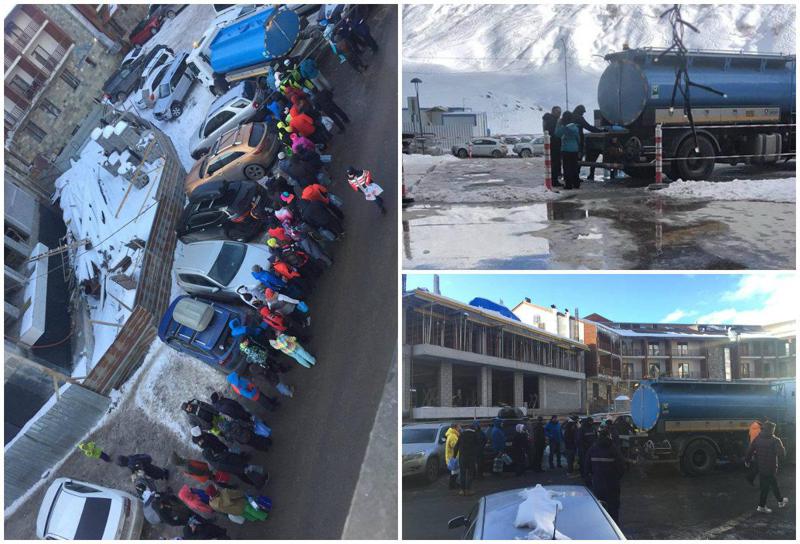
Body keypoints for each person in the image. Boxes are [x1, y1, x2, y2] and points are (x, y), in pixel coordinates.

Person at [584, 427, 626, 523]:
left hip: (598, 483)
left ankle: (601, 525)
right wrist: (616, 478)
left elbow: (586, 466)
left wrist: (590, 478)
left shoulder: (592, 449)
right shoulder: (614, 449)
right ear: (609, 436)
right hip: (612, 484)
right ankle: (614, 527)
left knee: (599, 507)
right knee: (613, 508)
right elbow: (622, 467)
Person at [745, 421, 788, 513]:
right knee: (766, 487)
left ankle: (780, 501)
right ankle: (761, 506)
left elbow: (750, 450)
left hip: (761, 466)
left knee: (773, 483)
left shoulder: (757, 438)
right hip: (771, 467)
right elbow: (782, 455)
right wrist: (783, 447)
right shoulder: (775, 440)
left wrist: (747, 461)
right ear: (772, 430)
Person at [571, 104, 602, 180]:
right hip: (578, 141)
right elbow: (588, 127)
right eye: (583, 112)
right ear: (580, 111)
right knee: (578, 159)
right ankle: (576, 177)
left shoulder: (571, 116)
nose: (583, 114)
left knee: (571, 159)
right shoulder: (579, 118)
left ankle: (571, 176)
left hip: (570, 142)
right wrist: (599, 131)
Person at [555, 111, 581, 190]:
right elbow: (578, 138)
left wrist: (558, 124)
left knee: (567, 167)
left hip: (566, 149)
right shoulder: (575, 127)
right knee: (574, 166)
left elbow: (557, 134)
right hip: (575, 149)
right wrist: (578, 147)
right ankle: (576, 183)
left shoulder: (564, 128)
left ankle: (568, 184)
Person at [454, 423, 480, 496]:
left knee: (462, 473)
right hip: (471, 457)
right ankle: (468, 490)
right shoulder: (475, 435)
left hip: (462, 457)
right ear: (474, 428)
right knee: (470, 473)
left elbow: (456, 446)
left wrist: (454, 455)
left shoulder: (461, 435)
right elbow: (478, 446)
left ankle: (462, 490)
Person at [542, 106, 563, 186]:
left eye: (560, 112)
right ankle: (554, 181)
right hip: (554, 144)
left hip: (552, 144)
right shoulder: (552, 120)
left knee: (553, 163)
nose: (559, 114)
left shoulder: (548, 119)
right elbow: (554, 132)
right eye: (558, 112)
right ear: (553, 112)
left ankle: (553, 180)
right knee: (555, 163)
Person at [578, 416, 596, 485]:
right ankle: (585, 477)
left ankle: (589, 476)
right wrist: (586, 446)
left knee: (590, 464)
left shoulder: (593, 428)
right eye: (591, 422)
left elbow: (595, 438)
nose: (592, 423)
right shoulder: (582, 429)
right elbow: (580, 440)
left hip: (591, 449)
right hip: (584, 450)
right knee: (584, 463)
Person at [747, 418, 764, 485]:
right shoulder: (759, 430)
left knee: (758, 465)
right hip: (760, 449)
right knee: (761, 466)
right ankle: (751, 478)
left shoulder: (752, 428)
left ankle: (751, 477)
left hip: (755, 448)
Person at [444, 423, 461, 490]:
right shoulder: (453, 436)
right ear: (455, 427)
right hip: (453, 457)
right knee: (454, 472)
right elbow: (456, 446)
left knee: (454, 472)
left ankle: (453, 484)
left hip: (452, 457)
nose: (460, 428)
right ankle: (452, 485)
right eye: (459, 426)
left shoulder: (452, 434)